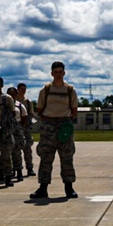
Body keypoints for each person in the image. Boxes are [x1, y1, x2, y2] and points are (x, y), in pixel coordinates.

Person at [30, 62, 78, 200]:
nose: (58, 74)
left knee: (67, 157)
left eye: (60, 71)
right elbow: (39, 109)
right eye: (55, 72)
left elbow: (74, 110)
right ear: (51, 73)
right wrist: (49, 120)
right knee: (46, 157)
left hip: (64, 126)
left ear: (64, 73)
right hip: (48, 126)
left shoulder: (70, 90)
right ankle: (43, 188)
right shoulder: (45, 90)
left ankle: (69, 188)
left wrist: (65, 122)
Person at [0, 77, 16, 187]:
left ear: (2, 85)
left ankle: (7, 176)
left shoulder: (7, 98)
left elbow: (13, 113)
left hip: (5, 130)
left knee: (6, 154)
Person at [15, 82, 36, 177]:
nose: (23, 91)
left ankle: (29, 168)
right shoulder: (14, 101)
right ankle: (16, 168)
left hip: (26, 127)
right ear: (18, 90)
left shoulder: (28, 101)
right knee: (15, 149)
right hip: (16, 127)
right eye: (21, 89)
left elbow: (31, 113)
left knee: (27, 149)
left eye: (24, 89)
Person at [7, 87, 28, 182]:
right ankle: (6, 172)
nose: (11, 96)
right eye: (9, 94)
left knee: (17, 152)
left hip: (17, 129)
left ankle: (19, 171)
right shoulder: (4, 105)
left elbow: (25, 119)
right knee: (6, 152)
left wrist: (19, 128)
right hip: (7, 129)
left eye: (13, 94)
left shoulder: (19, 106)